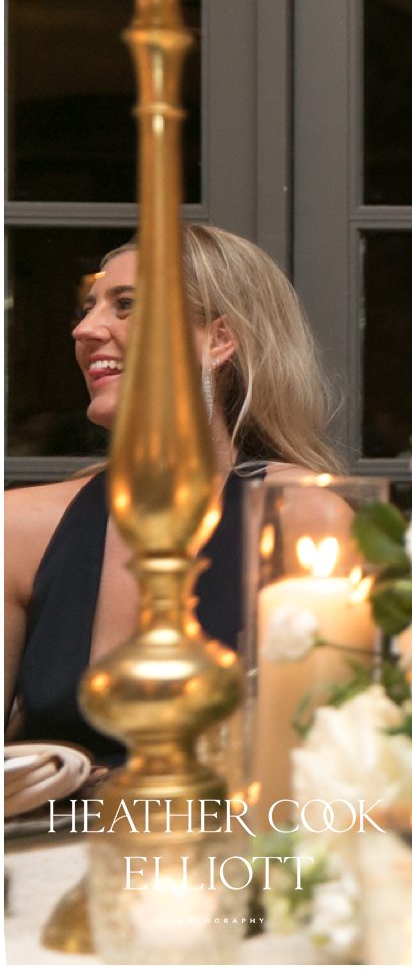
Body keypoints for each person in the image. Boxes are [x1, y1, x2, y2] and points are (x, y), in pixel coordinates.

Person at [5, 226, 343, 761]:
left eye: (126, 305)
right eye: (88, 309)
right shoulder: (19, 528)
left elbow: (329, 754)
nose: (85, 330)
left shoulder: (299, 513)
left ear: (219, 341)